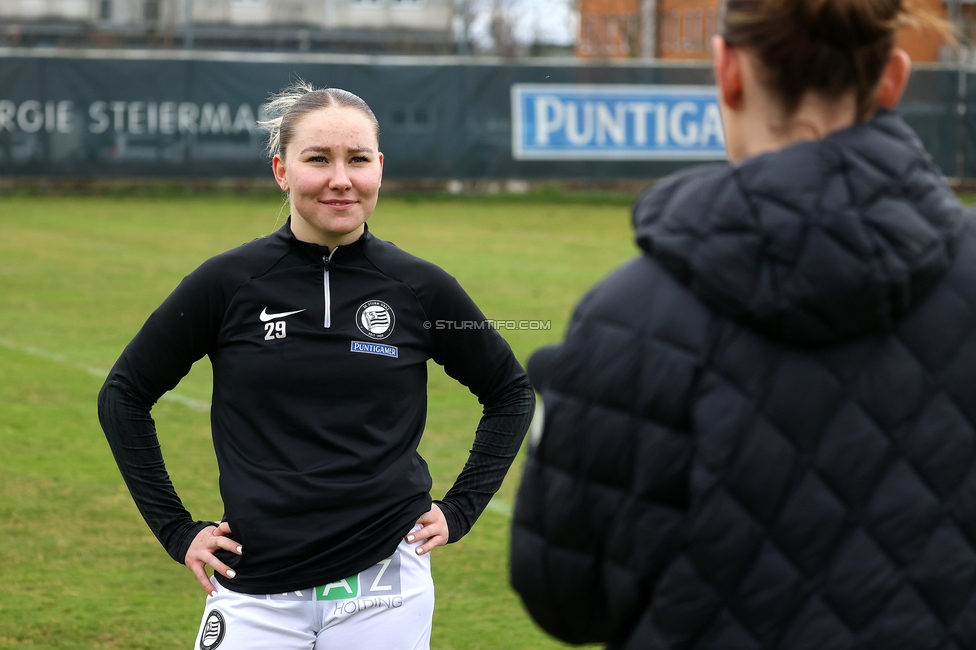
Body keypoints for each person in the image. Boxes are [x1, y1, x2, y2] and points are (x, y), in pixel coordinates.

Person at [510, 0, 976, 648]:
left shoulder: (629, 317)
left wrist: (557, 425)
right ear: (893, 79)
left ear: (726, 70)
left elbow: (564, 595)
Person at [98, 82, 533, 650]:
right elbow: (124, 395)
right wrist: (177, 531)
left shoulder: (420, 288)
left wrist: (463, 508)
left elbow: (510, 391)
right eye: (317, 159)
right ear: (281, 170)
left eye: (357, 160)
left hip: (385, 583)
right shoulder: (228, 283)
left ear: (380, 168)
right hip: (253, 583)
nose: (340, 179)